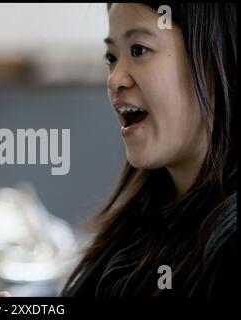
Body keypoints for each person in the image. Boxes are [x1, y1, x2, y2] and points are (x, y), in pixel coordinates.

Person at [60, 3, 238, 297]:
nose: (114, 79)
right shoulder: (135, 227)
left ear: (213, 56)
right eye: (111, 57)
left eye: (139, 50)